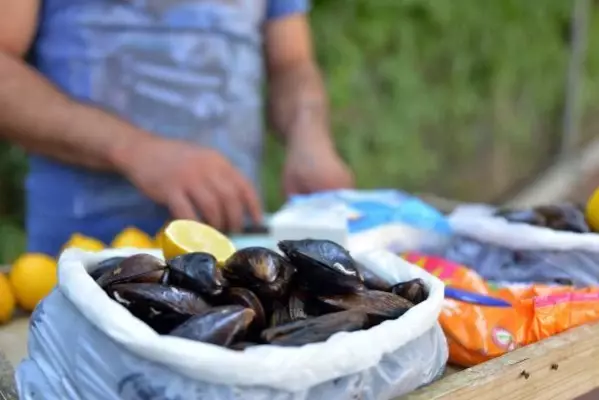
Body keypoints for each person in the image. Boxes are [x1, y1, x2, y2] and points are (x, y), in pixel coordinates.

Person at [0, 0, 354, 256]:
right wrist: (134, 149)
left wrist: (309, 134)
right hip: (81, 259)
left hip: (232, 252)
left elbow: (291, 63)